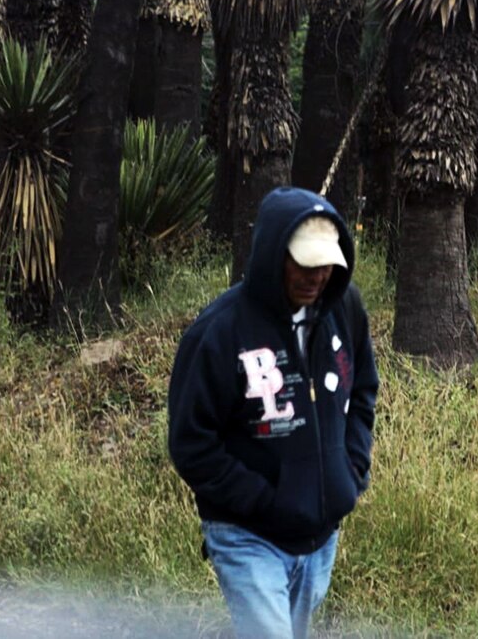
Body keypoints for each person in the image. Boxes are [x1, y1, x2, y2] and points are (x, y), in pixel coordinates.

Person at [168, 187, 378, 639]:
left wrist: (352, 468)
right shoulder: (219, 332)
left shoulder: (346, 311)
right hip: (248, 535)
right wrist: (264, 500)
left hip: (321, 534)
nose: (316, 275)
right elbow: (191, 444)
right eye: (303, 263)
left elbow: (363, 390)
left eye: (326, 264)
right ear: (271, 255)